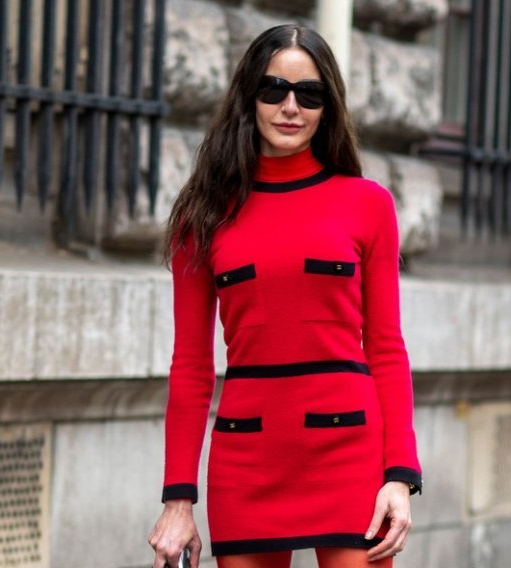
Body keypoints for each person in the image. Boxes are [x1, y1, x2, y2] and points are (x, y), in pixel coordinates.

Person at [148, 24, 422, 568]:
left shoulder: (368, 205)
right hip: (246, 460)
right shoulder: (203, 215)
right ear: (249, 96)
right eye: (274, 89)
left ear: (328, 106)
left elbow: (386, 347)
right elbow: (192, 366)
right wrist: (178, 499)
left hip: (349, 456)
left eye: (309, 94)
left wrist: (399, 475)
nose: (290, 107)